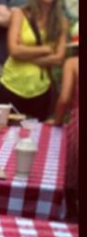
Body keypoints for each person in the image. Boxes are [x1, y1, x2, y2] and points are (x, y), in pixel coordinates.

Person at [0, 0, 70, 120]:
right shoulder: (19, 14)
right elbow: (13, 51)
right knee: (5, 135)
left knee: (38, 138)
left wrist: (25, 54)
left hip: (41, 89)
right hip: (12, 84)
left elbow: (58, 59)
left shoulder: (62, 22)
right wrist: (45, 50)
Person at [46, 49, 78, 220]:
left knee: (74, 172)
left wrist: (57, 119)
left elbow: (65, 98)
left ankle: (71, 214)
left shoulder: (73, 62)